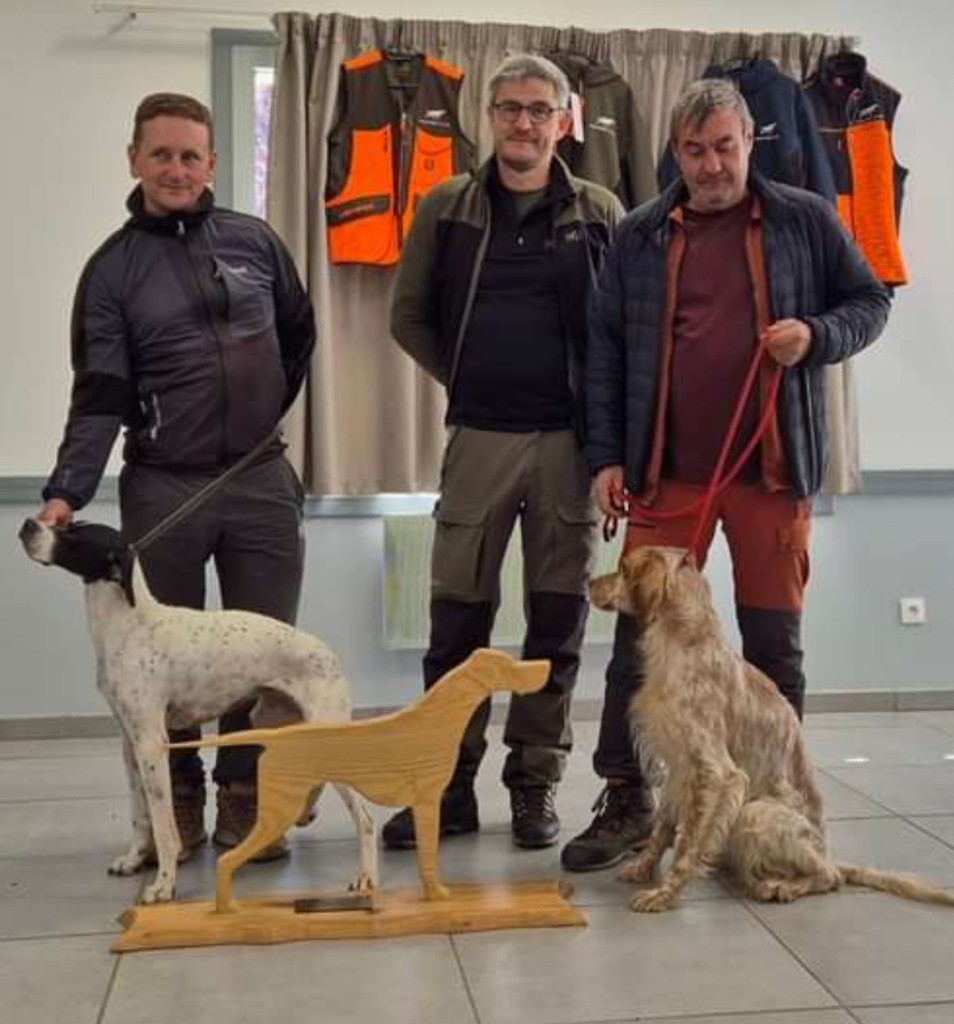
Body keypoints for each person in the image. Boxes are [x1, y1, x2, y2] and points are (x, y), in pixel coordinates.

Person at [561, 78, 891, 872]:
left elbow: (871, 301)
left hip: (770, 474)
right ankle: (627, 799)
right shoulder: (641, 233)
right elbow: (604, 351)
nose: (711, 165)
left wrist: (815, 335)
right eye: (695, 150)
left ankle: (776, 808)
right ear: (676, 150)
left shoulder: (805, 219)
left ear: (751, 143)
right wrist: (607, 457)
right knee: (639, 646)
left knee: (772, 646)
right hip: (665, 477)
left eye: (724, 147)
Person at [36, 93, 316, 862]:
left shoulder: (255, 243)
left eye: (191, 155)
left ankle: (246, 810)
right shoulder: (111, 271)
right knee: (166, 667)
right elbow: (99, 394)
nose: (177, 168)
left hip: (261, 481)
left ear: (213, 164)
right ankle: (179, 815)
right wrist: (68, 488)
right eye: (161, 154)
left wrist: (255, 424)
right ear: (134, 160)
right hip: (165, 490)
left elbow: (298, 335)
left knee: (263, 662)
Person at [387, 54, 624, 850]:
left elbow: (621, 332)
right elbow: (408, 315)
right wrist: (468, 375)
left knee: (555, 627)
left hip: (569, 447)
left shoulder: (600, 212)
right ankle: (445, 787)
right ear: (487, 116)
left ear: (564, 121)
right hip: (479, 440)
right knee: (457, 624)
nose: (524, 123)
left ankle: (534, 786)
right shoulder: (446, 206)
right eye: (510, 108)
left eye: (539, 110)